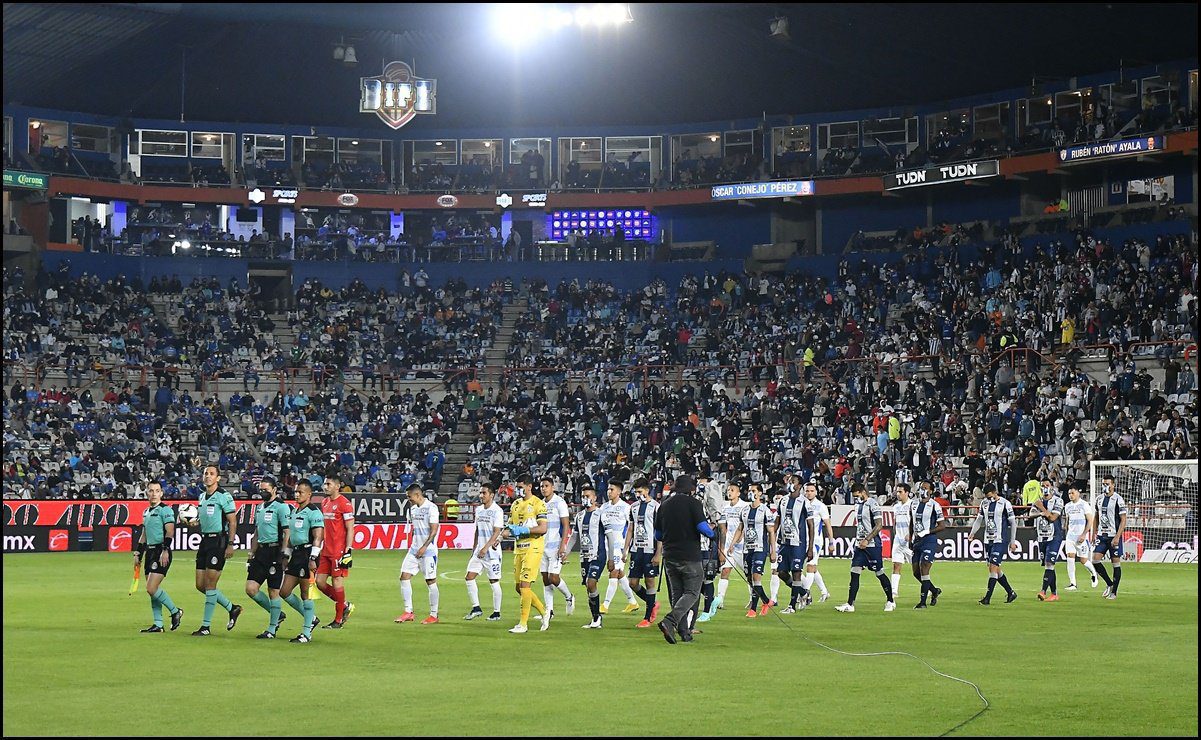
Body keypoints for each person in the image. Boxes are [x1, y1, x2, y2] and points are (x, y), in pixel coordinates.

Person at [653, 474, 717, 644]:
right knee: (692, 593)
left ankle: (684, 632)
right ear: (691, 489)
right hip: (690, 555)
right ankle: (670, 621)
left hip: (670, 556)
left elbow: (658, 534)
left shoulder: (663, 505)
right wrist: (712, 532)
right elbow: (703, 528)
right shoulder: (693, 503)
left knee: (677, 595)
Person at [184, 464, 242, 636]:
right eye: (205, 473)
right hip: (204, 542)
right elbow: (204, 520)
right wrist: (193, 523)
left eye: (211, 474)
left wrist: (230, 544)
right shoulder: (202, 497)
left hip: (219, 541)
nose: (207, 476)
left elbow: (232, 521)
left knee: (210, 585)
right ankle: (232, 608)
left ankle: (206, 626)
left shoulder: (224, 496)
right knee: (200, 585)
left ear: (218, 478)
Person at [835, 483, 896, 612]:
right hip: (859, 545)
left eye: (857, 495)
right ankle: (850, 604)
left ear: (862, 492)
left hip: (872, 545)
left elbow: (879, 525)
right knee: (854, 572)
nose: (856, 498)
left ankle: (890, 601)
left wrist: (867, 539)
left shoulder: (872, 504)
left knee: (879, 572)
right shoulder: (858, 506)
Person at [245, 475, 293, 638]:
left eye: (266, 490)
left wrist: (284, 553)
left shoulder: (282, 507)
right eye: (261, 490)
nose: (263, 492)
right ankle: (277, 614)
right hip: (261, 552)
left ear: (274, 489)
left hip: (275, 550)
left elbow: (287, 532)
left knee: (273, 591)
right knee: (251, 589)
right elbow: (257, 532)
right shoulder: (260, 507)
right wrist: (251, 553)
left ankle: (271, 629)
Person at [279, 479, 324, 643]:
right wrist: (286, 555)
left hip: (307, 553)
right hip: (296, 554)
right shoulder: (295, 511)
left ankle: (306, 633)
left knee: (306, 594)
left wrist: (313, 557)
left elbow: (318, 536)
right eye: (296, 492)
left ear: (309, 494)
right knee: (284, 591)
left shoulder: (314, 512)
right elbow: (291, 537)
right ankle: (311, 618)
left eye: (301, 492)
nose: (297, 494)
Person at [505, 473, 550, 634]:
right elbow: (510, 527)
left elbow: (543, 528)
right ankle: (545, 612)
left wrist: (524, 530)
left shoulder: (538, 504)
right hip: (519, 549)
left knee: (525, 586)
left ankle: (523, 624)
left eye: (520, 487)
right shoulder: (515, 504)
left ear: (529, 486)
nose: (518, 490)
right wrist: (503, 534)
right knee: (519, 588)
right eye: (517, 488)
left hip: (533, 548)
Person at [135, 481, 183, 632]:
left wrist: (165, 550)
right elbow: (144, 535)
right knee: (152, 590)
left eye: (157, 491)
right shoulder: (146, 512)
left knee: (151, 588)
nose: (154, 494)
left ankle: (175, 611)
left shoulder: (165, 510)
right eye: (151, 491)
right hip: (149, 552)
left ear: (161, 493)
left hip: (160, 552)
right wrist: (138, 553)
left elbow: (170, 531)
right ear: (147, 493)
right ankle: (158, 624)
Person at [727, 483, 776, 618]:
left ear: (760, 493)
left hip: (760, 548)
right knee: (749, 579)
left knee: (756, 578)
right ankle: (766, 601)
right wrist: (732, 544)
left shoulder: (765, 510)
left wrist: (773, 551)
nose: (750, 493)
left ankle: (753, 609)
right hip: (746, 549)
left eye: (753, 490)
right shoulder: (744, 510)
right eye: (749, 491)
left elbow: (771, 532)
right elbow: (740, 529)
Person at [396, 483, 441, 624]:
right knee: (404, 577)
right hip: (414, 550)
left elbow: (434, 530)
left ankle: (434, 615)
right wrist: (415, 545)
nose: (409, 500)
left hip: (428, 551)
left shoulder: (431, 508)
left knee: (430, 581)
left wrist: (424, 546)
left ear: (417, 495)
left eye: (410, 497)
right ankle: (408, 612)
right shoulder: (413, 509)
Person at [969, 483, 1019, 605]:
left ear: (995, 492)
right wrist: (972, 532)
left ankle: (987, 598)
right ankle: (1011, 592)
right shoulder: (984, 503)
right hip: (988, 540)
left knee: (993, 566)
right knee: (995, 569)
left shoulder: (1005, 503)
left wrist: (1012, 541)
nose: (988, 498)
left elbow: (1013, 523)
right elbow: (979, 520)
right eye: (987, 496)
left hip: (1000, 540)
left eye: (990, 496)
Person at [316, 473, 355, 628]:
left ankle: (338, 620)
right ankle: (344, 604)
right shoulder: (324, 502)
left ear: (337, 486)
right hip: (326, 550)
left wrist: (348, 550)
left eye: (329, 484)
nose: (326, 487)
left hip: (338, 551)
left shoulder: (344, 504)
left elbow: (350, 528)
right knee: (319, 582)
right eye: (325, 484)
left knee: (337, 582)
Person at [567, 485, 607, 629]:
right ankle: (595, 618)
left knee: (591, 583)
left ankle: (597, 618)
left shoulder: (601, 514)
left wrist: (611, 557)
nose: (585, 499)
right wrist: (566, 552)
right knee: (588, 587)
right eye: (583, 497)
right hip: (584, 557)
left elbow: (609, 535)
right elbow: (574, 537)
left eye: (588, 496)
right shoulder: (579, 516)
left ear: (595, 498)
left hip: (598, 554)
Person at [624, 478, 662, 628]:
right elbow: (630, 529)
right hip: (636, 550)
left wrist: (658, 553)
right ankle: (653, 603)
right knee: (632, 583)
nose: (638, 494)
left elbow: (660, 532)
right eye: (636, 492)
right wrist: (625, 550)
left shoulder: (656, 507)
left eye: (640, 491)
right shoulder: (633, 507)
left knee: (650, 581)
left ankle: (647, 617)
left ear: (647, 490)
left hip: (650, 549)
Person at [464, 483, 505, 621]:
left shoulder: (497, 511)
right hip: (479, 552)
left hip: (492, 553)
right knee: (469, 577)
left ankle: (497, 612)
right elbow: (477, 530)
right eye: (480, 493)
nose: (481, 495)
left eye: (484, 493)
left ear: (492, 495)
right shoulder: (479, 510)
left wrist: (485, 548)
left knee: (494, 581)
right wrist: (474, 548)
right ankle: (476, 608)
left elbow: (497, 532)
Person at [775, 479, 815, 614]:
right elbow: (778, 520)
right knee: (781, 573)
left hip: (798, 543)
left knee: (796, 572)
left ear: (800, 486)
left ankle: (792, 605)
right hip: (784, 543)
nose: (790, 483)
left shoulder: (805, 502)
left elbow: (811, 525)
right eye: (790, 481)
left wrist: (810, 547)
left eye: (794, 481)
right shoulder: (783, 500)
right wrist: (771, 536)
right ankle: (803, 593)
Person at [538, 476, 575, 619]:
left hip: (555, 546)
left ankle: (569, 596)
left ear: (553, 487)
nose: (544, 488)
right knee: (545, 579)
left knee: (553, 578)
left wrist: (563, 546)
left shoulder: (560, 502)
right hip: (542, 546)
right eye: (542, 486)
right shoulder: (540, 504)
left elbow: (566, 524)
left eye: (546, 486)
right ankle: (549, 611)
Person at [599, 482, 639, 614]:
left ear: (619, 492)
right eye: (608, 489)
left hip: (619, 547)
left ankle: (605, 605)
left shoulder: (626, 508)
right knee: (620, 574)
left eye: (612, 489)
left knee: (614, 572)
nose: (609, 491)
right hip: (606, 546)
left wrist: (627, 549)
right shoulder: (603, 507)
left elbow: (632, 528)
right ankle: (632, 602)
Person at [909, 481, 947, 609]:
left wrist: (927, 531)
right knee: (916, 573)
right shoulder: (913, 504)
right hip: (917, 541)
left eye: (925, 488)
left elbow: (942, 526)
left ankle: (922, 602)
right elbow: (911, 522)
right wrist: (910, 538)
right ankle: (934, 590)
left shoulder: (935, 506)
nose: (922, 490)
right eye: (921, 488)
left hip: (929, 540)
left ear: (931, 491)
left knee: (924, 568)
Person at [712, 482, 748, 612]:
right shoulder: (724, 507)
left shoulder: (745, 506)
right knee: (725, 571)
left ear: (738, 493)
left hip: (741, 546)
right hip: (728, 546)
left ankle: (752, 599)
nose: (729, 492)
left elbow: (744, 527)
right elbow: (722, 529)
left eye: (732, 490)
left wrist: (736, 542)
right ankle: (720, 600)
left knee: (748, 573)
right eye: (728, 490)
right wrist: (722, 548)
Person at [1091, 474, 1127, 600]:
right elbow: (1096, 516)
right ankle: (1109, 584)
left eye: (1107, 484)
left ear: (1113, 485)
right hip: (1101, 535)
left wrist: (1117, 536)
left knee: (1115, 564)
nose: (1105, 486)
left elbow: (1123, 520)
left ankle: (1114, 592)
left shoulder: (1118, 499)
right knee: (1095, 560)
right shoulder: (1099, 499)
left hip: (1113, 536)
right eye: (1104, 484)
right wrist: (1094, 533)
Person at [1029, 484, 1065, 601]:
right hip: (1041, 537)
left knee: (1049, 563)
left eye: (1047, 485)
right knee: (1049, 566)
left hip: (1055, 536)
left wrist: (1042, 509)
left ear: (1051, 488)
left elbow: (1053, 517)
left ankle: (1043, 591)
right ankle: (1054, 594)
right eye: (1042, 486)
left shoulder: (1058, 501)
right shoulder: (1038, 501)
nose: (1045, 488)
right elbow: (1030, 515)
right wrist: (1040, 513)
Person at [802, 481, 834, 604]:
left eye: (811, 491)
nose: (809, 493)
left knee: (810, 566)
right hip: (801, 541)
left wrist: (831, 542)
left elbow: (828, 524)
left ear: (816, 492)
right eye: (807, 491)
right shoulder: (801, 504)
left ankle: (806, 594)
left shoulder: (820, 506)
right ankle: (824, 592)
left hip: (815, 541)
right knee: (812, 568)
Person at [1063, 486, 1099, 590]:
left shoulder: (1084, 505)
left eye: (1072, 493)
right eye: (1069, 493)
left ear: (1078, 493)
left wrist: (1084, 534)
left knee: (1083, 560)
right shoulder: (1067, 506)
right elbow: (1067, 522)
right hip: (1070, 537)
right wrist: (1066, 533)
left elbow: (1090, 520)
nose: (1070, 495)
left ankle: (1094, 574)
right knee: (1070, 558)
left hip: (1081, 538)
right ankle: (1073, 583)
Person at [890, 483, 913, 600]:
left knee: (917, 569)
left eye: (900, 492)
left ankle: (928, 587)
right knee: (896, 565)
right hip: (898, 541)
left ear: (907, 493)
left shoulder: (912, 505)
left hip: (910, 542)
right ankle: (894, 591)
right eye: (897, 492)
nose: (898, 494)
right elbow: (895, 523)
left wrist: (911, 534)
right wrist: (896, 535)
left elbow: (916, 523)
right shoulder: (896, 507)